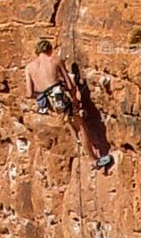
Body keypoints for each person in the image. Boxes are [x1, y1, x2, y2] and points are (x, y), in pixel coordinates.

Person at [25, 40, 113, 169]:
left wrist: (45, 94)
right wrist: (75, 100)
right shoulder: (55, 60)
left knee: (70, 122)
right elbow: (70, 85)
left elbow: (29, 93)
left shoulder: (29, 68)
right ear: (49, 49)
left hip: (50, 102)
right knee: (81, 127)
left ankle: (80, 143)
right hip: (61, 96)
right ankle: (93, 161)